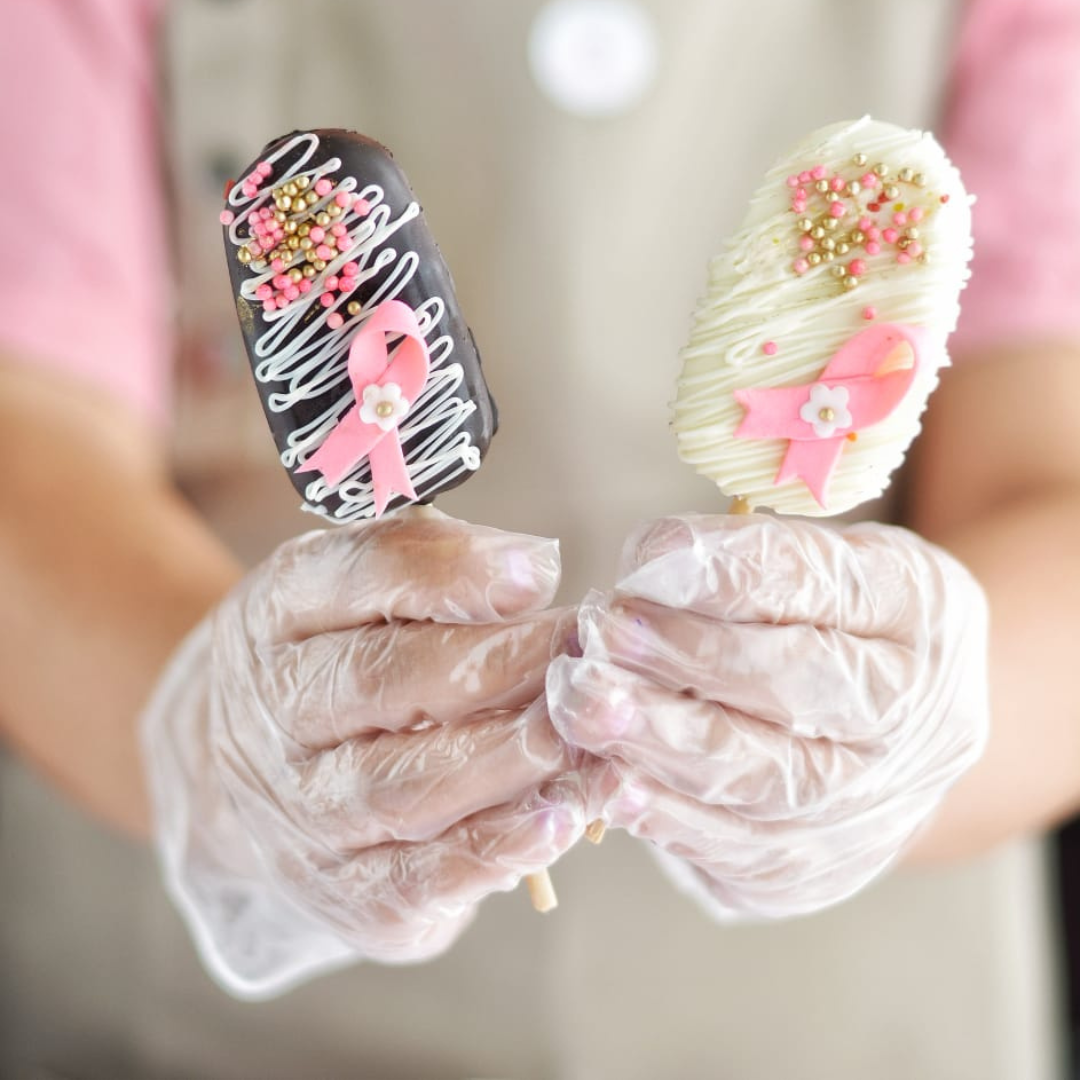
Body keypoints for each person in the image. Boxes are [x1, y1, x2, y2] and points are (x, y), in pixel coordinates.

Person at [1, 0, 1078, 1076]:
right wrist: (216, 744)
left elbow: (1052, 474)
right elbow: (30, 438)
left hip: (851, 1025)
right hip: (200, 1031)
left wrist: (938, 711)